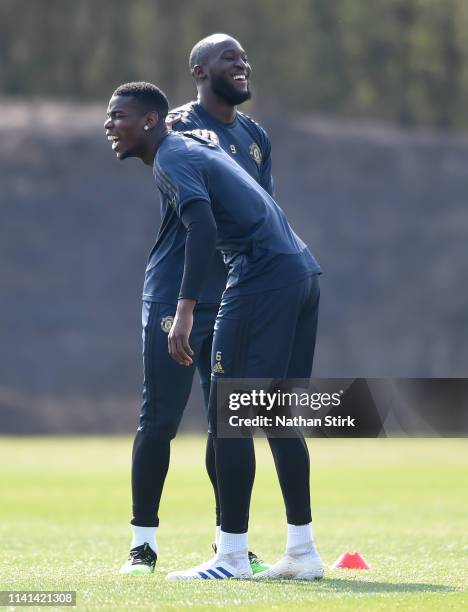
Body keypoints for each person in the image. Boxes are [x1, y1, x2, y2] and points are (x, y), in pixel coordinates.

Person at [104, 80, 324, 581]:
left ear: (150, 121)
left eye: (119, 115)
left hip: (260, 276)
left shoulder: (172, 157)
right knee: (276, 413)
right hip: (300, 270)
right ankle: (302, 552)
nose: (109, 125)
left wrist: (183, 310)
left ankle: (230, 557)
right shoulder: (190, 144)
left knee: (231, 412)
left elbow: (200, 227)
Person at [114, 34, 273, 576]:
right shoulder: (175, 126)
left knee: (231, 421)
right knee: (159, 419)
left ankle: (231, 546)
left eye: (244, 56)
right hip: (173, 294)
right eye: (231, 57)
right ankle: (143, 545)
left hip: (233, 295)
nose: (243, 63)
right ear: (200, 69)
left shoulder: (255, 137)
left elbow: (260, 213)